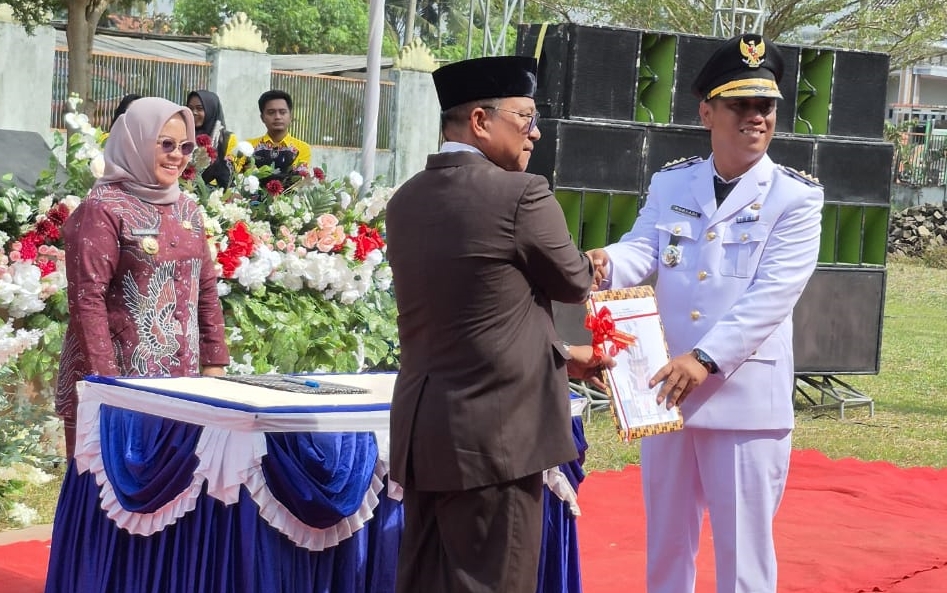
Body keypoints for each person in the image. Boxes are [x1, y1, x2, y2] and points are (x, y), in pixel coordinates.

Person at [588, 34, 824, 593]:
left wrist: (704, 358)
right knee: (667, 546)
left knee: (743, 558)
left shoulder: (795, 197)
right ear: (706, 112)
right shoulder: (673, 181)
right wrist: (604, 263)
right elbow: (644, 248)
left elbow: (773, 295)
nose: (756, 117)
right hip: (666, 390)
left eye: (765, 106)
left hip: (742, 398)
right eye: (740, 104)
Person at [385, 55, 608, 593]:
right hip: (496, 442)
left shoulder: (405, 198)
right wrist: (594, 262)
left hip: (424, 432)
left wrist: (563, 357)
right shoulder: (520, 194)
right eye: (526, 117)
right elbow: (574, 282)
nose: (535, 133)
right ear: (480, 121)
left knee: (425, 581)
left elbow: (476, 315)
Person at [56, 97, 231, 459]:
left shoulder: (187, 209)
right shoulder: (102, 209)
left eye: (185, 146)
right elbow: (88, 301)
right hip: (118, 383)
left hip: (183, 386)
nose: (177, 155)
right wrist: (110, 385)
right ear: (135, 141)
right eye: (165, 144)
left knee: (178, 485)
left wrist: (214, 362)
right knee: (110, 484)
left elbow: (205, 288)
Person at [245, 89, 311, 181]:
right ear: (262, 117)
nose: (277, 117)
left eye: (282, 112)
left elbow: (296, 180)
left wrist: (257, 173)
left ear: (290, 116)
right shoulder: (248, 147)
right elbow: (239, 178)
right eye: (271, 112)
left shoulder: (302, 148)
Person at [186, 89, 238, 188]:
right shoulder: (181, 134)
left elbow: (228, 177)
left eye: (199, 108)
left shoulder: (225, 139)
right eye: (190, 108)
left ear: (211, 110)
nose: (194, 112)